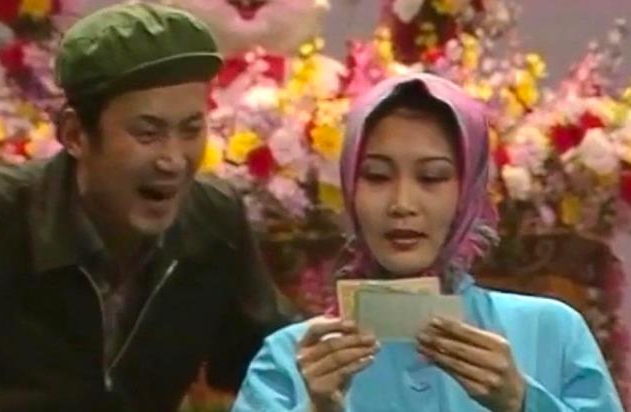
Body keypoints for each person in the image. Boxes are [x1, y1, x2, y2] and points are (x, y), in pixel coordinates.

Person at [0, 3, 288, 411]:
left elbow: (271, 359)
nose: (174, 160)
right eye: (147, 133)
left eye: (191, 130)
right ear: (74, 134)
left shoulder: (212, 219)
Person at [231, 73, 624, 412]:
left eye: (432, 177)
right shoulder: (290, 359)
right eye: (377, 176)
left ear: (467, 192)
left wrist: (521, 400)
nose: (402, 204)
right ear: (350, 187)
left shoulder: (551, 332)